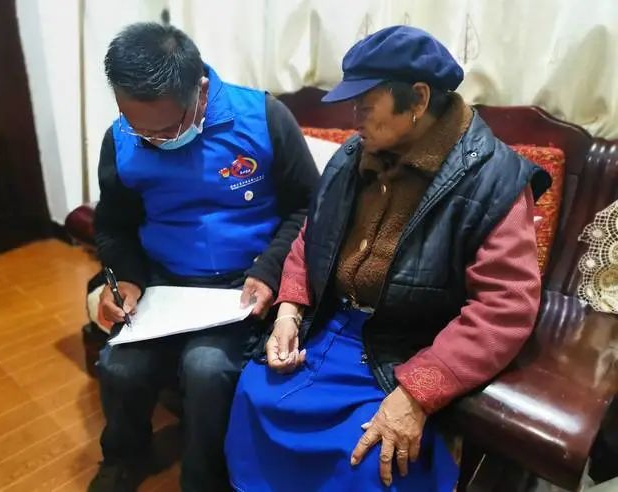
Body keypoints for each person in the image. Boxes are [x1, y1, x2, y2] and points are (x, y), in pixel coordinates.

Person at [225, 25, 551, 491]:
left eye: (365, 104)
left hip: (409, 348)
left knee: (367, 458)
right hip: (332, 325)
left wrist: (417, 393)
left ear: (417, 98)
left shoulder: (494, 179)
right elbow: (312, 237)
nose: (353, 117)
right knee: (255, 393)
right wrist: (289, 310)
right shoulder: (355, 154)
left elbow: (505, 308)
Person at [88, 23, 319, 492]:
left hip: (242, 286)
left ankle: (204, 480)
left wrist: (270, 268)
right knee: (119, 366)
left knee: (208, 369)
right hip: (163, 284)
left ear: (202, 90)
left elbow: (308, 209)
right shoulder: (121, 139)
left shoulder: (263, 119)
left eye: (167, 129)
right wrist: (127, 278)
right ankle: (124, 457)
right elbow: (113, 225)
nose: (153, 140)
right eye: (137, 127)